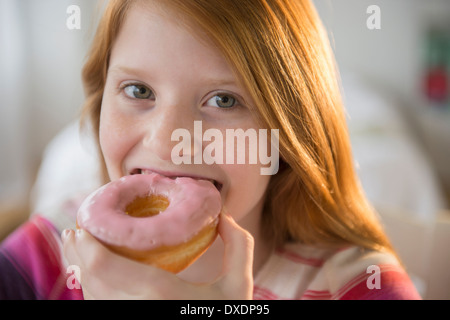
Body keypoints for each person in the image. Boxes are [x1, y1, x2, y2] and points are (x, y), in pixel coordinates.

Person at [0, 0, 420, 300]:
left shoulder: (361, 286)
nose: (166, 142)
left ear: (286, 137)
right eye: (138, 90)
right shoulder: (45, 254)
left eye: (223, 100)